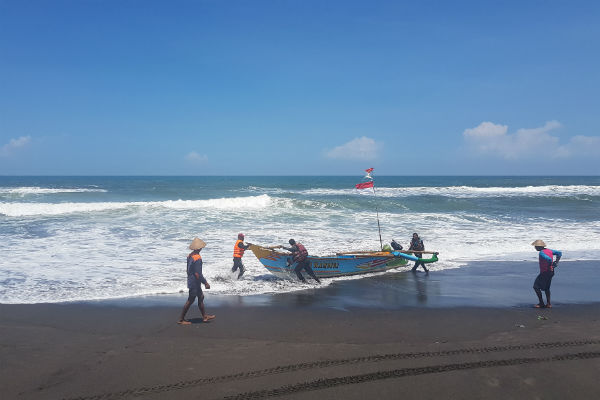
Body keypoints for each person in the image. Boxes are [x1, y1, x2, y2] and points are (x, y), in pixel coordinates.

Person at [178, 237, 215, 324]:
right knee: (190, 300)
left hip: (191, 280)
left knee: (201, 297)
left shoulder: (190, 255)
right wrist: (205, 283)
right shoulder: (197, 258)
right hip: (195, 282)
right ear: (199, 248)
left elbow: (188, 270)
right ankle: (181, 319)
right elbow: (198, 274)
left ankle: (204, 316)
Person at [532, 239, 562, 308]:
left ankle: (541, 303)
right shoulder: (549, 250)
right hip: (551, 272)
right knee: (547, 288)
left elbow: (548, 259)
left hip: (545, 272)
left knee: (536, 287)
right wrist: (556, 262)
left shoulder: (541, 253)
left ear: (539, 247)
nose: (535, 247)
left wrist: (550, 264)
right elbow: (559, 253)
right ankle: (548, 304)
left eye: (536, 246)